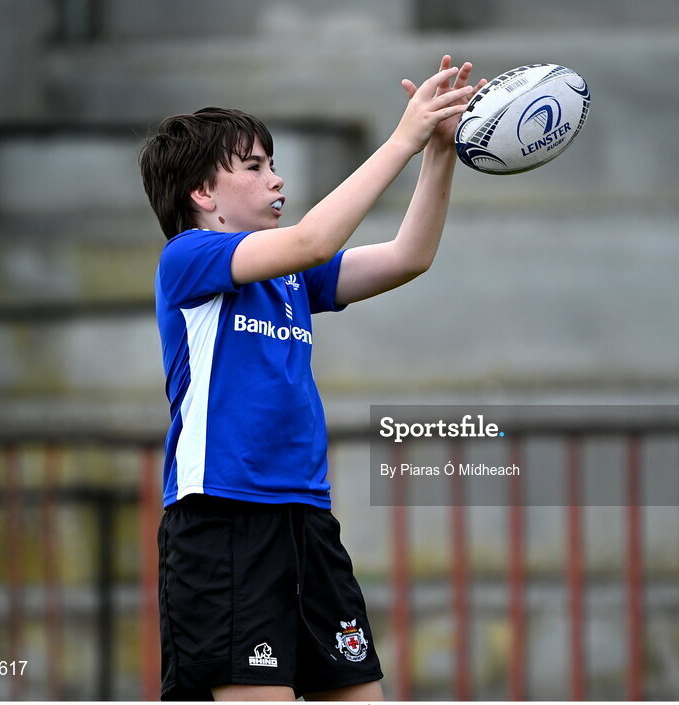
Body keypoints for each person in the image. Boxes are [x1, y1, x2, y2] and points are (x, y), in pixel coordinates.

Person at [138, 55, 487, 701]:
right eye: (255, 167)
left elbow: (410, 255)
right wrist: (401, 139)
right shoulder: (187, 258)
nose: (276, 179)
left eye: (273, 164)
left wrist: (438, 152)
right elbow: (313, 241)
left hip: (306, 519)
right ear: (203, 194)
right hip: (224, 521)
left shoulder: (290, 276)